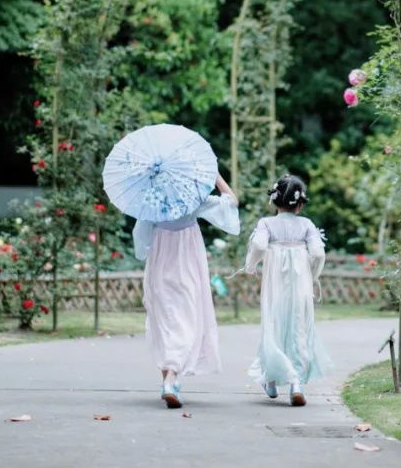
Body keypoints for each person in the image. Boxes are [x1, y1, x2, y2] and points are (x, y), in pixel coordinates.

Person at [134, 171, 239, 409]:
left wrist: (148, 245)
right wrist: (216, 176)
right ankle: (171, 378)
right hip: (188, 262)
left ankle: (170, 380)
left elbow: (141, 234)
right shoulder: (193, 195)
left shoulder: (153, 197)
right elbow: (231, 201)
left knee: (165, 318)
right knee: (186, 318)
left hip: (161, 260)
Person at [244, 173, 332, 406]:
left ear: (274, 200)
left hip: (274, 285)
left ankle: (271, 380)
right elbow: (318, 253)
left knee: (273, 325)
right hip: (300, 285)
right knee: (298, 328)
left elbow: (259, 245)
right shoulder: (306, 225)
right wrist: (312, 276)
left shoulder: (267, 223)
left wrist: (250, 267)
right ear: (300, 203)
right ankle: (296, 383)